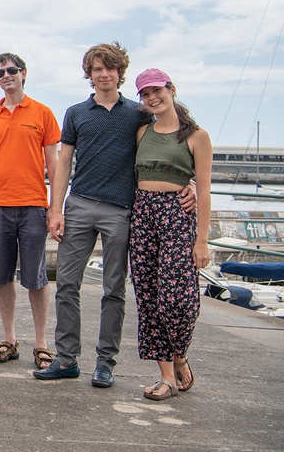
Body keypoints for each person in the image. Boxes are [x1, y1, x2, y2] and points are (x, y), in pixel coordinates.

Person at [36, 43, 148, 386]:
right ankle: (67, 359)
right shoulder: (76, 113)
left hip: (120, 209)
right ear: (90, 74)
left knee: (114, 288)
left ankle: (105, 363)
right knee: (67, 284)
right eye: (97, 69)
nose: (104, 74)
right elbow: (63, 163)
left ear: (119, 72)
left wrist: (187, 181)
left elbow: (157, 152)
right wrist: (56, 209)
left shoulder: (138, 113)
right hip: (80, 204)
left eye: (110, 68)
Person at [0, 53, 60, 369]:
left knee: (36, 277)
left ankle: (41, 343)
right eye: (0, 72)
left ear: (24, 73)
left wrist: (55, 208)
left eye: (11, 70)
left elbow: (54, 164)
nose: (6, 75)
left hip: (33, 204)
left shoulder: (43, 113)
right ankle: (9, 339)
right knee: (1, 276)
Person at [129, 68, 212, 400]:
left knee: (177, 298)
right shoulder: (142, 133)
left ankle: (180, 354)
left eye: (157, 90)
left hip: (177, 215)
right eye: (145, 94)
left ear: (171, 89)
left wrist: (202, 240)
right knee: (148, 296)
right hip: (143, 213)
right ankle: (165, 377)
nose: (152, 98)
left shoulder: (197, 136)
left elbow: (203, 190)